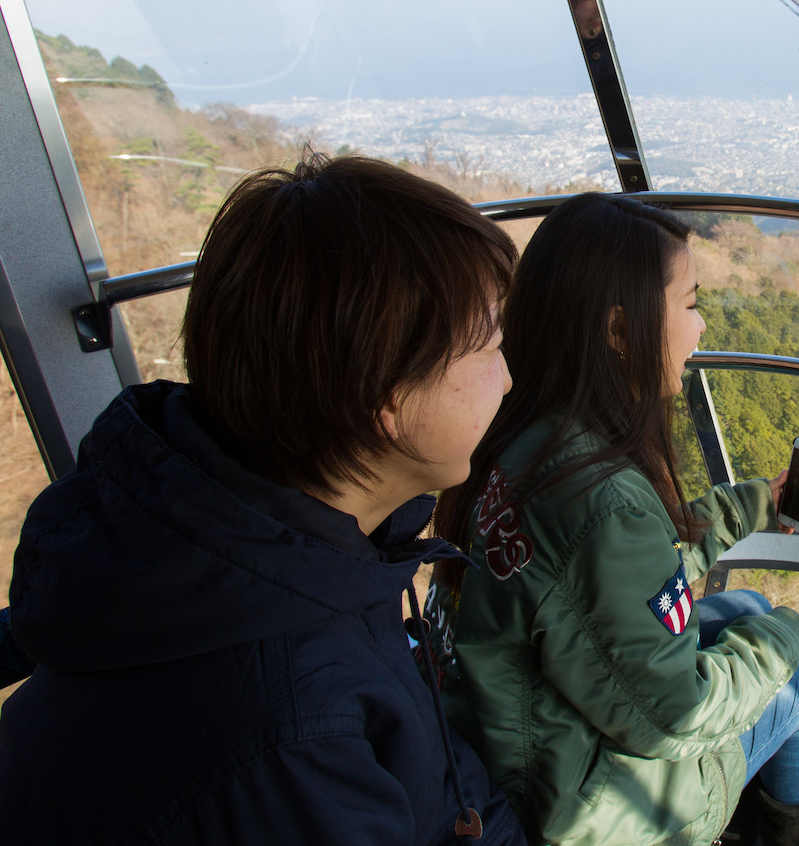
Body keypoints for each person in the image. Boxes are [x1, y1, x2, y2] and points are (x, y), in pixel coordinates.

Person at [0, 154, 528, 845]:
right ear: (388, 399)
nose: (510, 378)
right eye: (489, 346)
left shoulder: (297, 551)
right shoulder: (285, 732)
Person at [425, 192, 799, 846]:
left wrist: (757, 504)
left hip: (509, 745)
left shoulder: (525, 437)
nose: (701, 329)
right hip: (575, 807)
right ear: (619, 330)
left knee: (746, 605)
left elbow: (627, 576)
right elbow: (676, 718)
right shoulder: (595, 496)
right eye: (691, 304)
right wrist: (789, 633)